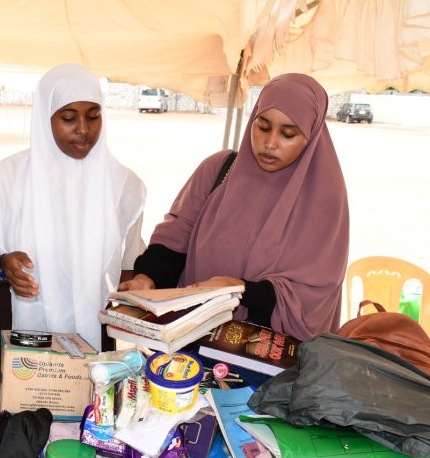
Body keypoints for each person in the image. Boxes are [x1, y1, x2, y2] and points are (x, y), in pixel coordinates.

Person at [118, 73, 349, 341]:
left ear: (311, 137)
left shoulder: (324, 202)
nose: (271, 143)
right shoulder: (219, 170)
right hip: (194, 341)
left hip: (272, 359)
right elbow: (177, 234)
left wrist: (241, 290)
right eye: (262, 126)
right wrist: (149, 276)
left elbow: (314, 295)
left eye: (288, 134)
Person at [0, 63, 146, 364]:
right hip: (16, 321)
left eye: (93, 116)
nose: (83, 129)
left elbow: (127, 271)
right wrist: (4, 267)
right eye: (68, 118)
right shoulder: (8, 178)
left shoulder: (123, 186)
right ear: (44, 118)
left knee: (88, 408)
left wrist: (132, 299)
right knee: (11, 409)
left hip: (91, 328)